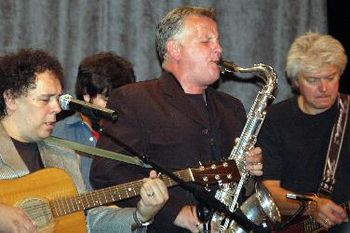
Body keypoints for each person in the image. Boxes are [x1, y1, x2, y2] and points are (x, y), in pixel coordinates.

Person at [90, 6, 263, 233]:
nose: (218, 49)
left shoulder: (232, 107)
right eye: (206, 41)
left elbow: (245, 188)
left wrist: (249, 173)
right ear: (175, 49)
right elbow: (107, 173)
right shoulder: (134, 99)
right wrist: (175, 213)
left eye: (218, 41)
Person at [0, 49, 168, 233]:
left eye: (57, 98)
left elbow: (88, 220)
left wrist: (141, 215)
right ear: (11, 99)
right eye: (45, 99)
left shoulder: (64, 154)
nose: (57, 108)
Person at [259, 32, 350, 232]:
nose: (324, 88)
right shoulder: (275, 118)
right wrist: (312, 207)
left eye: (331, 78)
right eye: (313, 80)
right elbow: (269, 191)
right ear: (296, 82)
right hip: (296, 226)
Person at [53, 52, 136, 190]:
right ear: (86, 94)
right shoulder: (57, 134)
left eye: (122, 101)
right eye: (107, 100)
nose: (116, 108)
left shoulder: (133, 136)